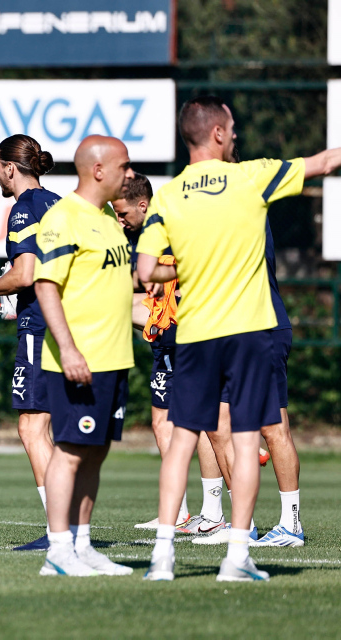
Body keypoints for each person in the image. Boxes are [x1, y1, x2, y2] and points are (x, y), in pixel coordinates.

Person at [139, 96, 341, 581]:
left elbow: (145, 270)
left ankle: (163, 557)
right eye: (231, 128)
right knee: (246, 442)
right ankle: (236, 559)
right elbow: (328, 160)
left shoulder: (167, 196)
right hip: (249, 332)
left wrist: (186, 265)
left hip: (195, 334)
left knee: (183, 439)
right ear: (217, 134)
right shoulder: (252, 176)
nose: (236, 135)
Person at [34, 135, 135, 577]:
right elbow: (45, 287)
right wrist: (69, 348)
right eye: (124, 165)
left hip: (113, 360)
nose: (129, 174)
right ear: (98, 169)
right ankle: (58, 552)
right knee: (71, 451)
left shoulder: (109, 219)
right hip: (78, 362)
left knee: (95, 452)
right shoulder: (63, 218)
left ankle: (82, 544)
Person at [114, 176, 226, 535]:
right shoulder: (134, 239)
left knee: (205, 425)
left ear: (143, 205)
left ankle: (214, 512)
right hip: (163, 342)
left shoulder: (170, 229)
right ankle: (178, 512)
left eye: (123, 212)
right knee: (162, 423)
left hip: (188, 338)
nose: (120, 220)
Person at [0, 134, 59, 551]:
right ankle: (69, 523)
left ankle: (61, 529)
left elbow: (25, 274)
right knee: (47, 428)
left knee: (31, 426)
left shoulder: (24, 208)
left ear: (9, 167)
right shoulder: (58, 202)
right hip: (64, 324)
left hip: (39, 327)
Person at [192, 218, 304, 547]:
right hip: (227, 331)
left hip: (261, 328)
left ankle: (291, 523)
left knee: (272, 427)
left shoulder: (245, 209)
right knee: (216, 424)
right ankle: (244, 525)